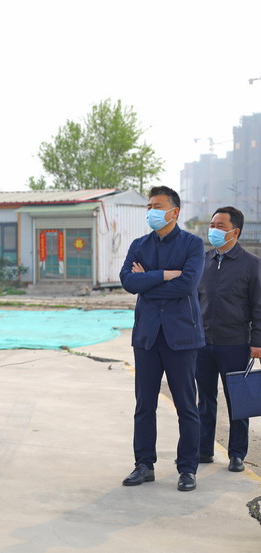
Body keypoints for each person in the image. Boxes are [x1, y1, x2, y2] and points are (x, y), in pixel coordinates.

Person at [120, 185, 204, 492]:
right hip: (147, 336)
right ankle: (144, 464)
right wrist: (165, 274)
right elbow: (128, 281)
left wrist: (147, 280)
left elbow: (187, 285)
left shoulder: (193, 245)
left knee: (186, 406)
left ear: (174, 211)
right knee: (144, 405)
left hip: (181, 337)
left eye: (157, 206)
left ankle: (187, 469)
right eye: (149, 207)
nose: (151, 212)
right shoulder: (139, 245)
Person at [196, 206, 261, 473]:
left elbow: (258, 306)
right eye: (212, 225)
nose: (214, 230)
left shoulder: (252, 264)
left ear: (235, 231)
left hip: (235, 343)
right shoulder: (203, 261)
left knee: (237, 400)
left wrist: (257, 341)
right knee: (205, 400)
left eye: (220, 226)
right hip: (202, 344)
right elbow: (195, 301)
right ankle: (204, 450)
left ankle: (237, 454)